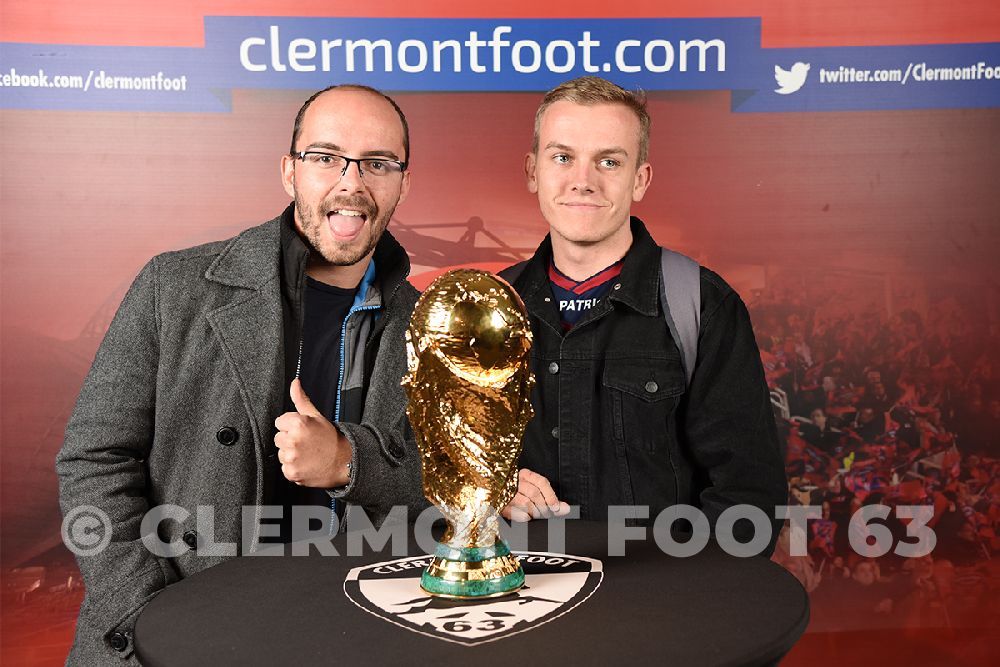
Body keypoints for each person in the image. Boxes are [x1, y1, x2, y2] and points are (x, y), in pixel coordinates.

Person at [55, 84, 425, 663]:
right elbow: (94, 461)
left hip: (350, 640)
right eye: (326, 157)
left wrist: (349, 463)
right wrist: (154, 615)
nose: (352, 182)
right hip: (176, 631)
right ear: (290, 172)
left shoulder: (432, 326)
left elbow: (444, 499)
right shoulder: (173, 288)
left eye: (378, 163)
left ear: (404, 182)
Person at [499, 76, 786, 552]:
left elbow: (749, 504)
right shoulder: (486, 306)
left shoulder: (702, 306)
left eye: (609, 161)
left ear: (641, 179)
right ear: (533, 171)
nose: (583, 180)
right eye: (562, 157)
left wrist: (668, 603)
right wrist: (489, 491)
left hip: (655, 614)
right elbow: (439, 471)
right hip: (519, 603)